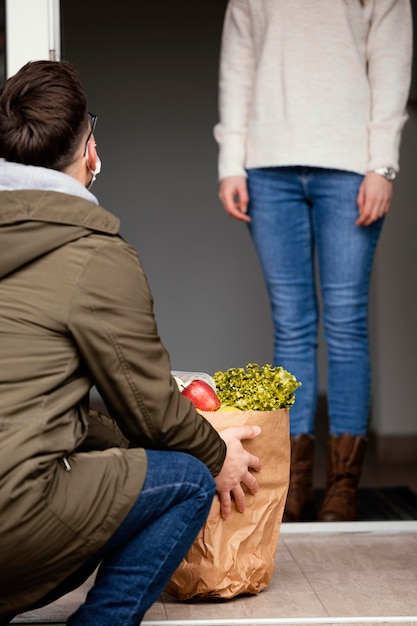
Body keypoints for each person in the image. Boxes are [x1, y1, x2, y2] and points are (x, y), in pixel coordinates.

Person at [0, 59, 262, 626]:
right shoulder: (92, 252)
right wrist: (219, 456)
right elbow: (151, 410)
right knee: (188, 481)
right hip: (8, 517)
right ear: (87, 149)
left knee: (101, 441)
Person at [214, 0, 412, 522]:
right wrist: (231, 163)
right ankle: (293, 482)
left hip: (350, 166)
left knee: (346, 324)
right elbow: (238, 66)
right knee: (291, 328)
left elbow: (390, 58)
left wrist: (382, 163)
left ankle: (343, 488)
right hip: (267, 167)